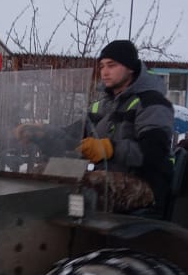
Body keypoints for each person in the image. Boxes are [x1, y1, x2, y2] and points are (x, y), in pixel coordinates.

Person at [16, 39, 174, 213]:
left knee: (87, 184)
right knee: (43, 173)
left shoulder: (152, 103)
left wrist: (110, 149)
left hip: (146, 184)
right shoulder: (103, 105)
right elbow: (72, 137)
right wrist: (43, 133)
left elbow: (155, 153)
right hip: (108, 177)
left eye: (111, 65)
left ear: (130, 68)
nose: (104, 72)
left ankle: (73, 235)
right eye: (102, 66)